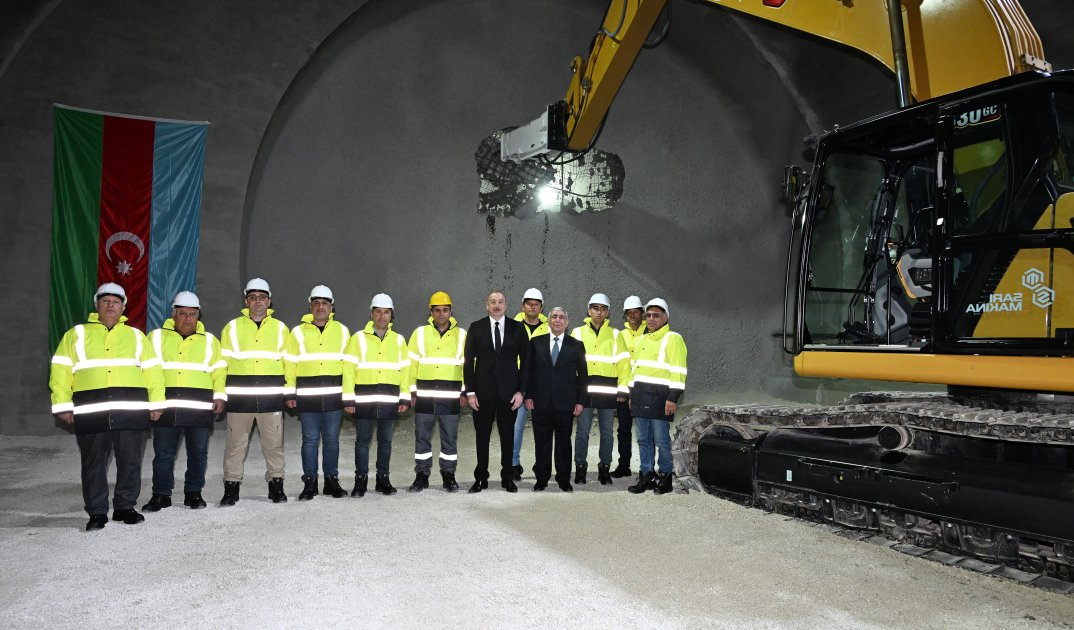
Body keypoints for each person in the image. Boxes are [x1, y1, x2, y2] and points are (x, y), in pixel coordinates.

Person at [49, 283, 164, 531]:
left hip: (131, 411)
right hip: (91, 411)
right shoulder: (76, 335)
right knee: (93, 464)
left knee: (130, 461)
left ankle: (125, 507)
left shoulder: (136, 336)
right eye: (105, 301)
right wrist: (62, 404)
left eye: (116, 301)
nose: (110, 305)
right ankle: (97, 512)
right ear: (96, 305)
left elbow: (153, 372)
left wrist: (156, 403)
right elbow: (60, 372)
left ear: (124, 306)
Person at [142, 291, 226, 512]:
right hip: (166, 406)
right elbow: (148, 371)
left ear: (198, 315)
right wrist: (152, 402)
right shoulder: (156, 337)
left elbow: (219, 371)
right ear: (173, 314)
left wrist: (219, 395)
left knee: (198, 453)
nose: (188, 318)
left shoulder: (210, 341)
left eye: (192, 314)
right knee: (163, 453)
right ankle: (161, 494)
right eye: (182, 313)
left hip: (198, 408)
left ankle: (193, 493)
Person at [219, 278, 290, 505]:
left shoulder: (281, 329)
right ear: (246, 300)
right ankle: (231, 487)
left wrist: (288, 393)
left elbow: (289, 364)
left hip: (271, 399)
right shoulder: (232, 328)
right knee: (235, 446)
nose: (257, 302)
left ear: (269, 300)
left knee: (274, 445)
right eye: (252, 297)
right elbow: (222, 365)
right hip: (240, 400)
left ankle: (276, 486)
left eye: (261, 297)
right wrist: (221, 394)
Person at [284, 285, 351, 500]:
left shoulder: (342, 331)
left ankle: (331, 480)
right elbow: (289, 364)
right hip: (307, 396)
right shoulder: (297, 332)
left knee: (332, 440)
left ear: (332, 307)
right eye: (316, 303)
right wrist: (290, 393)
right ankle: (310, 482)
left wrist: (349, 396)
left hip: (334, 396)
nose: (320, 307)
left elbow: (349, 367)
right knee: (310, 439)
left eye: (324, 303)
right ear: (310, 306)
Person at [343, 293, 410, 497]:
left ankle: (383, 479)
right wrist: (348, 398)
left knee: (386, 442)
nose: (382, 316)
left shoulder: (399, 341)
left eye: (386, 312)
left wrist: (404, 397)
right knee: (363, 441)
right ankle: (360, 481)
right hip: (364, 400)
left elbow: (405, 371)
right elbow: (348, 369)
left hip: (389, 400)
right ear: (371, 314)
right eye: (378, 312)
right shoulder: (357, 338)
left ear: (392, 315)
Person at [463, 290, 528, 493]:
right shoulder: (476, 328)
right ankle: (480, 477)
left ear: (506, 305)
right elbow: (468, 363)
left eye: (500, 302)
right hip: (482, 394)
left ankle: (507, 477)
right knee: (482, 437)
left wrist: (521, 392)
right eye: (493, 302)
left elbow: (526, 363)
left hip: (509, 395)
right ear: (487, 305)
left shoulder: (518, 329)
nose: (497, 305)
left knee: (507, 436)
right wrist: (470, 392)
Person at [407, 291, 468, 492]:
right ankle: (421, 475)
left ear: (451, 311)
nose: (441, 314)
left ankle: (448, 475)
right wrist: (412, 392)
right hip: (425, 397)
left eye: (445, 310)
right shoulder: (420, 333)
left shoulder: (462, 335)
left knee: (449, 439)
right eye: (437, 310)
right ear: (431, 312)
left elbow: (467, 367)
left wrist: (464, 392)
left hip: (451, 398)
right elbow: (411, 365)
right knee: (422, 438)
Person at [627, 298, 688, 495]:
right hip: (641, 396)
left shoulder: (673, 339)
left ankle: (665, 476)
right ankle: (646, 474)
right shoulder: (642, 340)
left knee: (661, 441)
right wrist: (631, 394)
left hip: (661, 399)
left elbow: (679, 371)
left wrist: (673, 398)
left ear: (665, 317)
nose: (651, 319)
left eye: (656, 315)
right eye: (649, 315)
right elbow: (634, 370)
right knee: (643, 439)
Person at [523, 307, 587, 492]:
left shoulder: (576, 345)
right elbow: (528, 371)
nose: (557, 320)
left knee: (563, 443)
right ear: (548, 321)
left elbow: (583, 376)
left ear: (566, 323)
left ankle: (563, 479)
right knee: (541, 441)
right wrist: (528, 395)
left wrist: (580, 401)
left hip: (565, 403)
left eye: (561, 318)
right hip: (540, 402)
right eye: (554, 317)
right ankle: (542, 478)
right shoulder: (536, 343)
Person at [571, 293, 629, 485]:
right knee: (582, 432)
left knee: (607, 432)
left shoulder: (615, 334)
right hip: (584, 391)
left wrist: (623, 390)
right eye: (595, 308)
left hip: (607, 391)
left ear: (607, 312)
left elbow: (623, 364)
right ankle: (580, 467)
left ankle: (604, 467)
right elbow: (570, 365)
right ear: (589, 310)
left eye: (603, 309)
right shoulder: (577, 333)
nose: (599, 312)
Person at [510, 288, 548, 481]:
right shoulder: (512, 326)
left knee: (542, 427)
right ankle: (513, 464)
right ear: (522, 305)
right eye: (529, 303)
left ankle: (541, 465)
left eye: (536, 304)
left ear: (541, 307)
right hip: (517, 383)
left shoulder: (549, 327)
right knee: (516, 427)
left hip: (541, 383)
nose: (532, 307)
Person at [613, 295, 646, 478]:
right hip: (625, 390)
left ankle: (646, 468)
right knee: (623, 430)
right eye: (629, 313)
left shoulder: (649, 333)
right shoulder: (620, 335)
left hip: (644, 390)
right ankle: (624, 465)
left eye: (636, 312)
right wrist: (622, 390)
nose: (633, 315)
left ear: (642, 313)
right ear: (625, 315)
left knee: (645, 432)